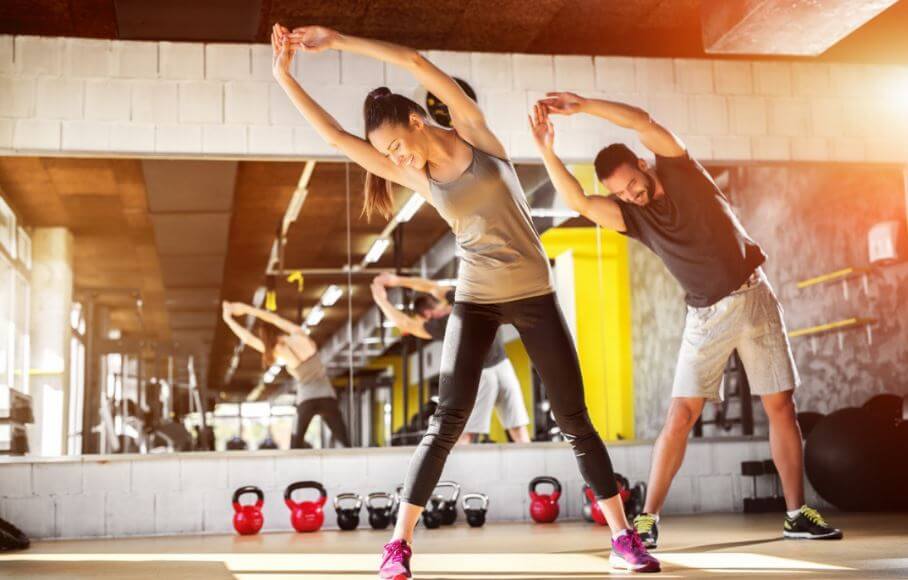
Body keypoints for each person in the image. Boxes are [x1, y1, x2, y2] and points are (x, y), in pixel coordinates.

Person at [270, 23, 659, 577]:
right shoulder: (423, 179)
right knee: (446, 419)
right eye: (388, 155)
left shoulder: (476, 135)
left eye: (398, 145)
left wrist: (338, 43)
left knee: (575, 418)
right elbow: (336, 137)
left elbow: (417, 62)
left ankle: (623, 538)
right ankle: (398, 546)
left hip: (534, 295)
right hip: (475, 299)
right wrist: (284, 75)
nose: (397, 159)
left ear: (417, 120)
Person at [529, 92, 842, 547]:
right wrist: (544, 149)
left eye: (632, 183)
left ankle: (796, 514)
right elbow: (578, 200)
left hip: (756, 296)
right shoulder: (632, 219)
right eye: (620, 193)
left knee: (781, 407)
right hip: (706, 316)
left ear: (642, 162)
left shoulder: (680, 169)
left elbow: (642, 119)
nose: (630, 194)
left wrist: (583, 107)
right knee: (680, 415)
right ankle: (647, 519)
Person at [370, 273, 532, 445]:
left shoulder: (443, 324)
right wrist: (396, 280)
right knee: (518, 429)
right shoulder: (458, 299)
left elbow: (406, 324)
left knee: (467, 434)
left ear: (426, 313)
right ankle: (534, 469)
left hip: (482, 374)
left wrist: (381, 300)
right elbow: (432, 287)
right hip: (503, 365)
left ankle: (461, 469)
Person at [221, 301, 350, 448]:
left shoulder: (277, 350)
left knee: (295, 443)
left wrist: (228, 319)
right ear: (278, 330)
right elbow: (274, 318)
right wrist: (246, 309)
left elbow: (248, 339)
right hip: (327, 397)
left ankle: (291, 468)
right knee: (345, 440)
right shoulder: (298, 334)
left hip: (306, 401)